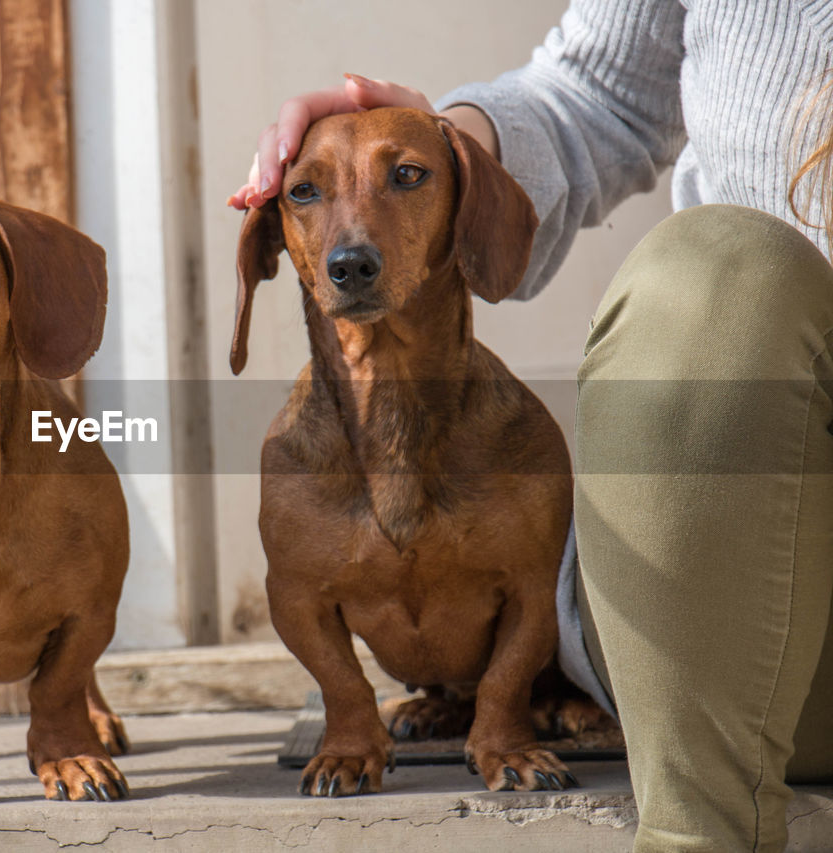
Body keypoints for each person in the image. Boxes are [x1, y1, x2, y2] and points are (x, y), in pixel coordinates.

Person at [229, 2, 833, 851]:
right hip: (740, 631)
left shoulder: (517, 446)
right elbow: (599, 91)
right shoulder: (294, 467)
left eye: (407, 179)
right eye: (308, 197)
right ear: (271, 248)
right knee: (718, 271)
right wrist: (453, 138)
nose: (350, 244)